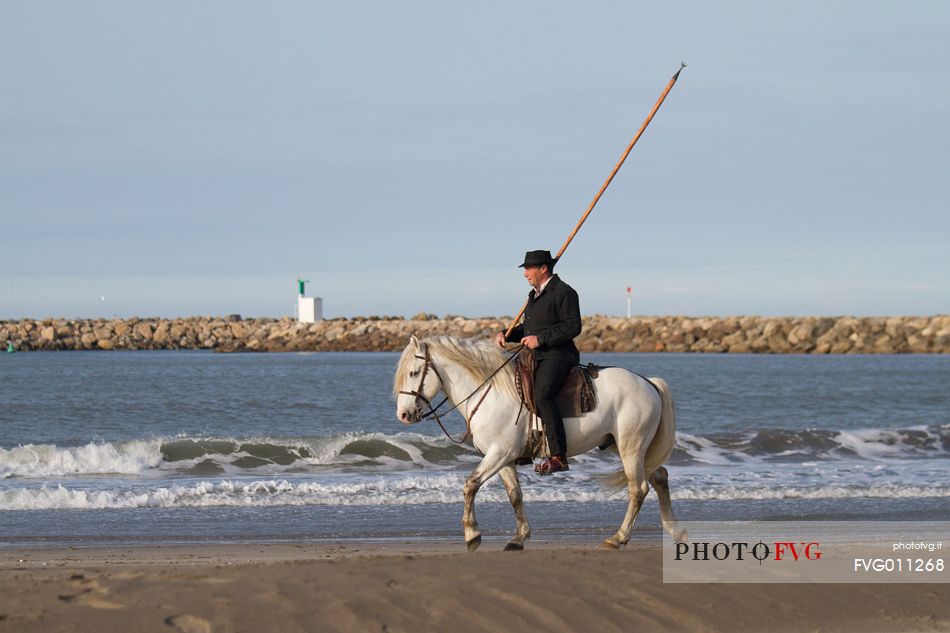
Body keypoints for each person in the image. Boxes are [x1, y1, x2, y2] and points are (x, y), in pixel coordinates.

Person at [494, 250, 581, 475]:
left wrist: (540, 339)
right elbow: (529, 329)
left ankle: (559, 456)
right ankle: (527, 446)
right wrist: (507, 333)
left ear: (543, 268)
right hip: (536, 356)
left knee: (542, 394)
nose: (525, 274)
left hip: (558, 354)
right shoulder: (534, 295)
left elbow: (573, 327)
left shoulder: (564, 292)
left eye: (528, 269)